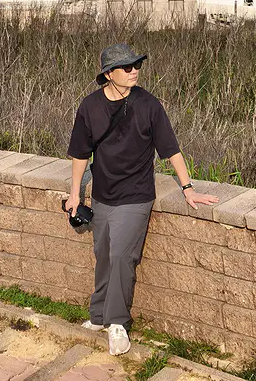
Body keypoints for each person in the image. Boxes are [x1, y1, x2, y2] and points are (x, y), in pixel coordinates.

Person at [65, 43, 218, 357]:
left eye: (137, 65)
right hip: (103, 194)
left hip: (136, 195)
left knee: (122, 255)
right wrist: (74, 194)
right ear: (109, 74)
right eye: (127, 67)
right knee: (105, 255)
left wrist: (188, 188)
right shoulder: (90, 107)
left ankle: (117, 322)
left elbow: (170, 149)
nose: (134, 70)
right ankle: (97, 316)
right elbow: (81, 154)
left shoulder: (149, 105)